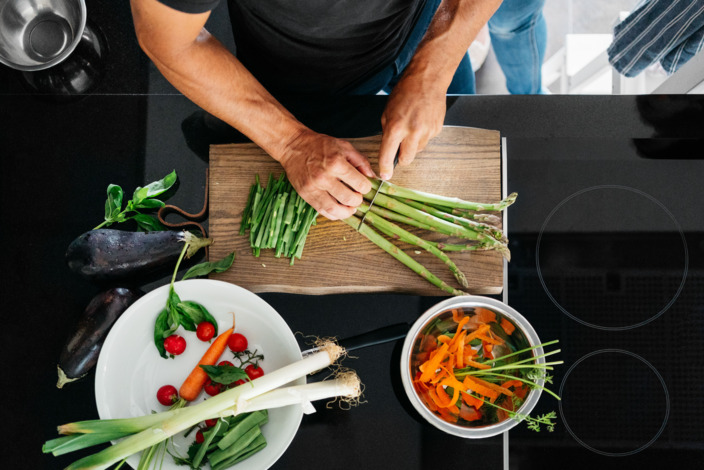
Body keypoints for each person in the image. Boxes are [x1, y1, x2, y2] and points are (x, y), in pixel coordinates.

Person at [130, 0, 541, 220]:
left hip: (429, 28)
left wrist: (439, 60)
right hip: (304, 79)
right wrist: (291, 143)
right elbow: (169, 40)